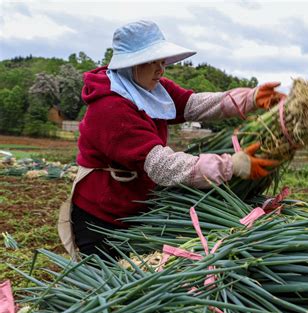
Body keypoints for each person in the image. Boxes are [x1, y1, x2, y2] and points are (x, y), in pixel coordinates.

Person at [58, 20, 285, 260]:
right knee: (107, 281)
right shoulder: (110, 107)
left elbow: (192, 104)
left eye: (161, 60)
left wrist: (249, 98)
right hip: (103, 215)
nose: (160, 69)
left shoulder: (149, 87)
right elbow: (161, 165)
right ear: (129, 64)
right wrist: (230, 166)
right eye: (151, 61)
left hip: (138, 206)